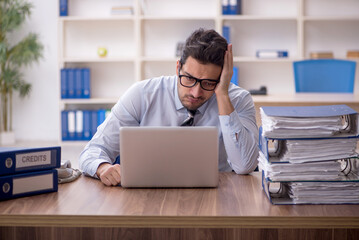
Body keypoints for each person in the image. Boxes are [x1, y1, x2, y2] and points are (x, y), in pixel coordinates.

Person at [79, 28, 259, 186]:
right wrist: (102, 168)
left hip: (216, 197)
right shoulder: (142, 94)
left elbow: (245, 165)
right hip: (148, 196)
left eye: (208, 83)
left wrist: (222, 95)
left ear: (221, 78)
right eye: (189, 78)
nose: (196, 92)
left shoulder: (238, 100)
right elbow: (92, 151)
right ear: (178, 67)